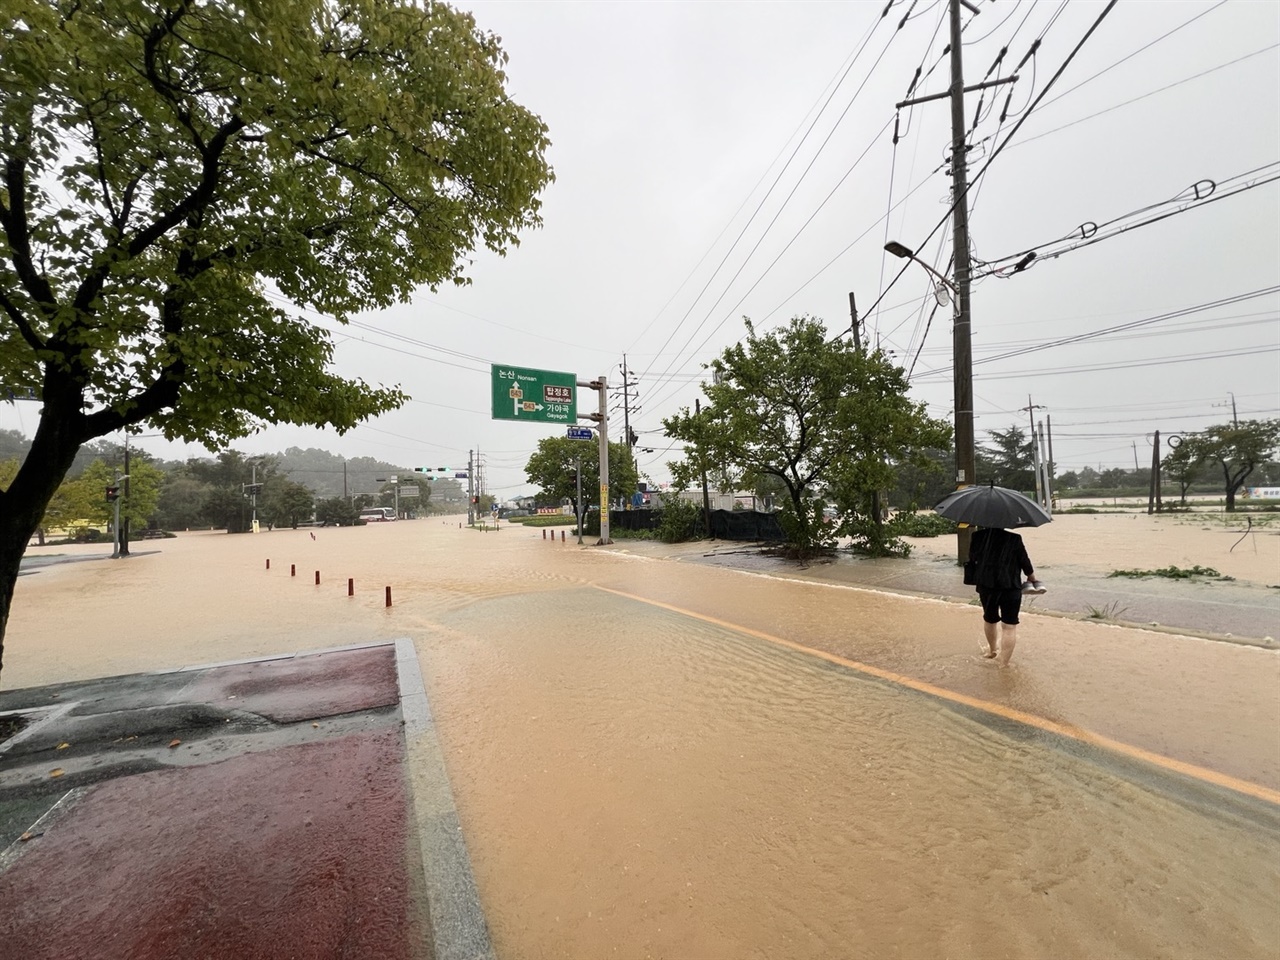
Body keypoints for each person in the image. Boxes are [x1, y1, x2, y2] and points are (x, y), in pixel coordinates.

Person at [969, 526, 1040, 666]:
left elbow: (972, 558)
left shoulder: (977, 537)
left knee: (990, 619)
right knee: (1009, 626)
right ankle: (1003, 663)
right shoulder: (1014, 538)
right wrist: (1032, 579)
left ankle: (991, 651)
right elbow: (1025, 563)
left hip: (987, 586)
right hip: (1010, 587)